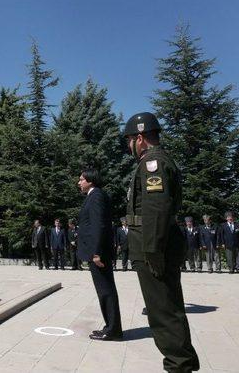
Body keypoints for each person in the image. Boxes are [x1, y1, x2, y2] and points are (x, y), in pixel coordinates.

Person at [124, 112, 199, 372]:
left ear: (141, 138)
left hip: (153, 250)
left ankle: (179, 365)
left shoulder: (152, 164)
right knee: (166, 309)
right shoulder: (156, 161)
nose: (129, 145)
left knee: (163, 313)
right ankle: (181, 363)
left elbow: (156, 210)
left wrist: (152, 250)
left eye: (130, 140)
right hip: (154, 247)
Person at [78, 168, 122, 341]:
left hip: (98, 254)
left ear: (90, 180)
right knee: (104, 290)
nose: (79, 182)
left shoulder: (96, 196)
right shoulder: (94, 195)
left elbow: (99, 226)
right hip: (96, 252)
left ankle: (113, 330)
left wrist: (96, 253)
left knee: (106, 291)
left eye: (81, 179)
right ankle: (110, 326)